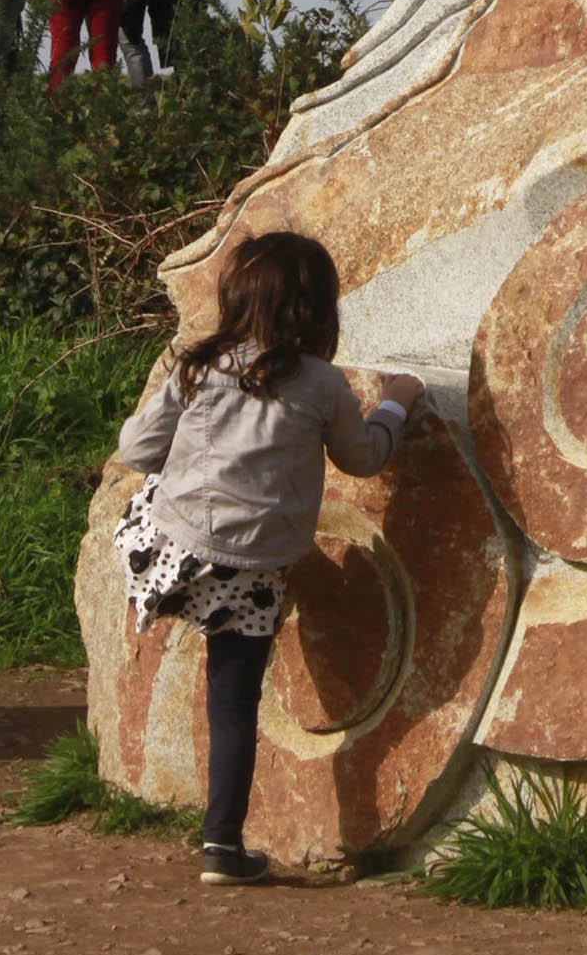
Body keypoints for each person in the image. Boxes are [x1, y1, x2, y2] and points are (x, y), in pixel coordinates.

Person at [110, 229, 423, 882]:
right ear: (318, 310)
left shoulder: (198, 364)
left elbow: (137, 450)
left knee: (159, 495)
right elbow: (364, 457)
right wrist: (397, 400)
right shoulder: (323, 384)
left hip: (175, 548)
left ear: (237, 299)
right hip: (251, 570)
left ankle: (156, 594)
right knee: (233, 700)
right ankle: (221, 846)